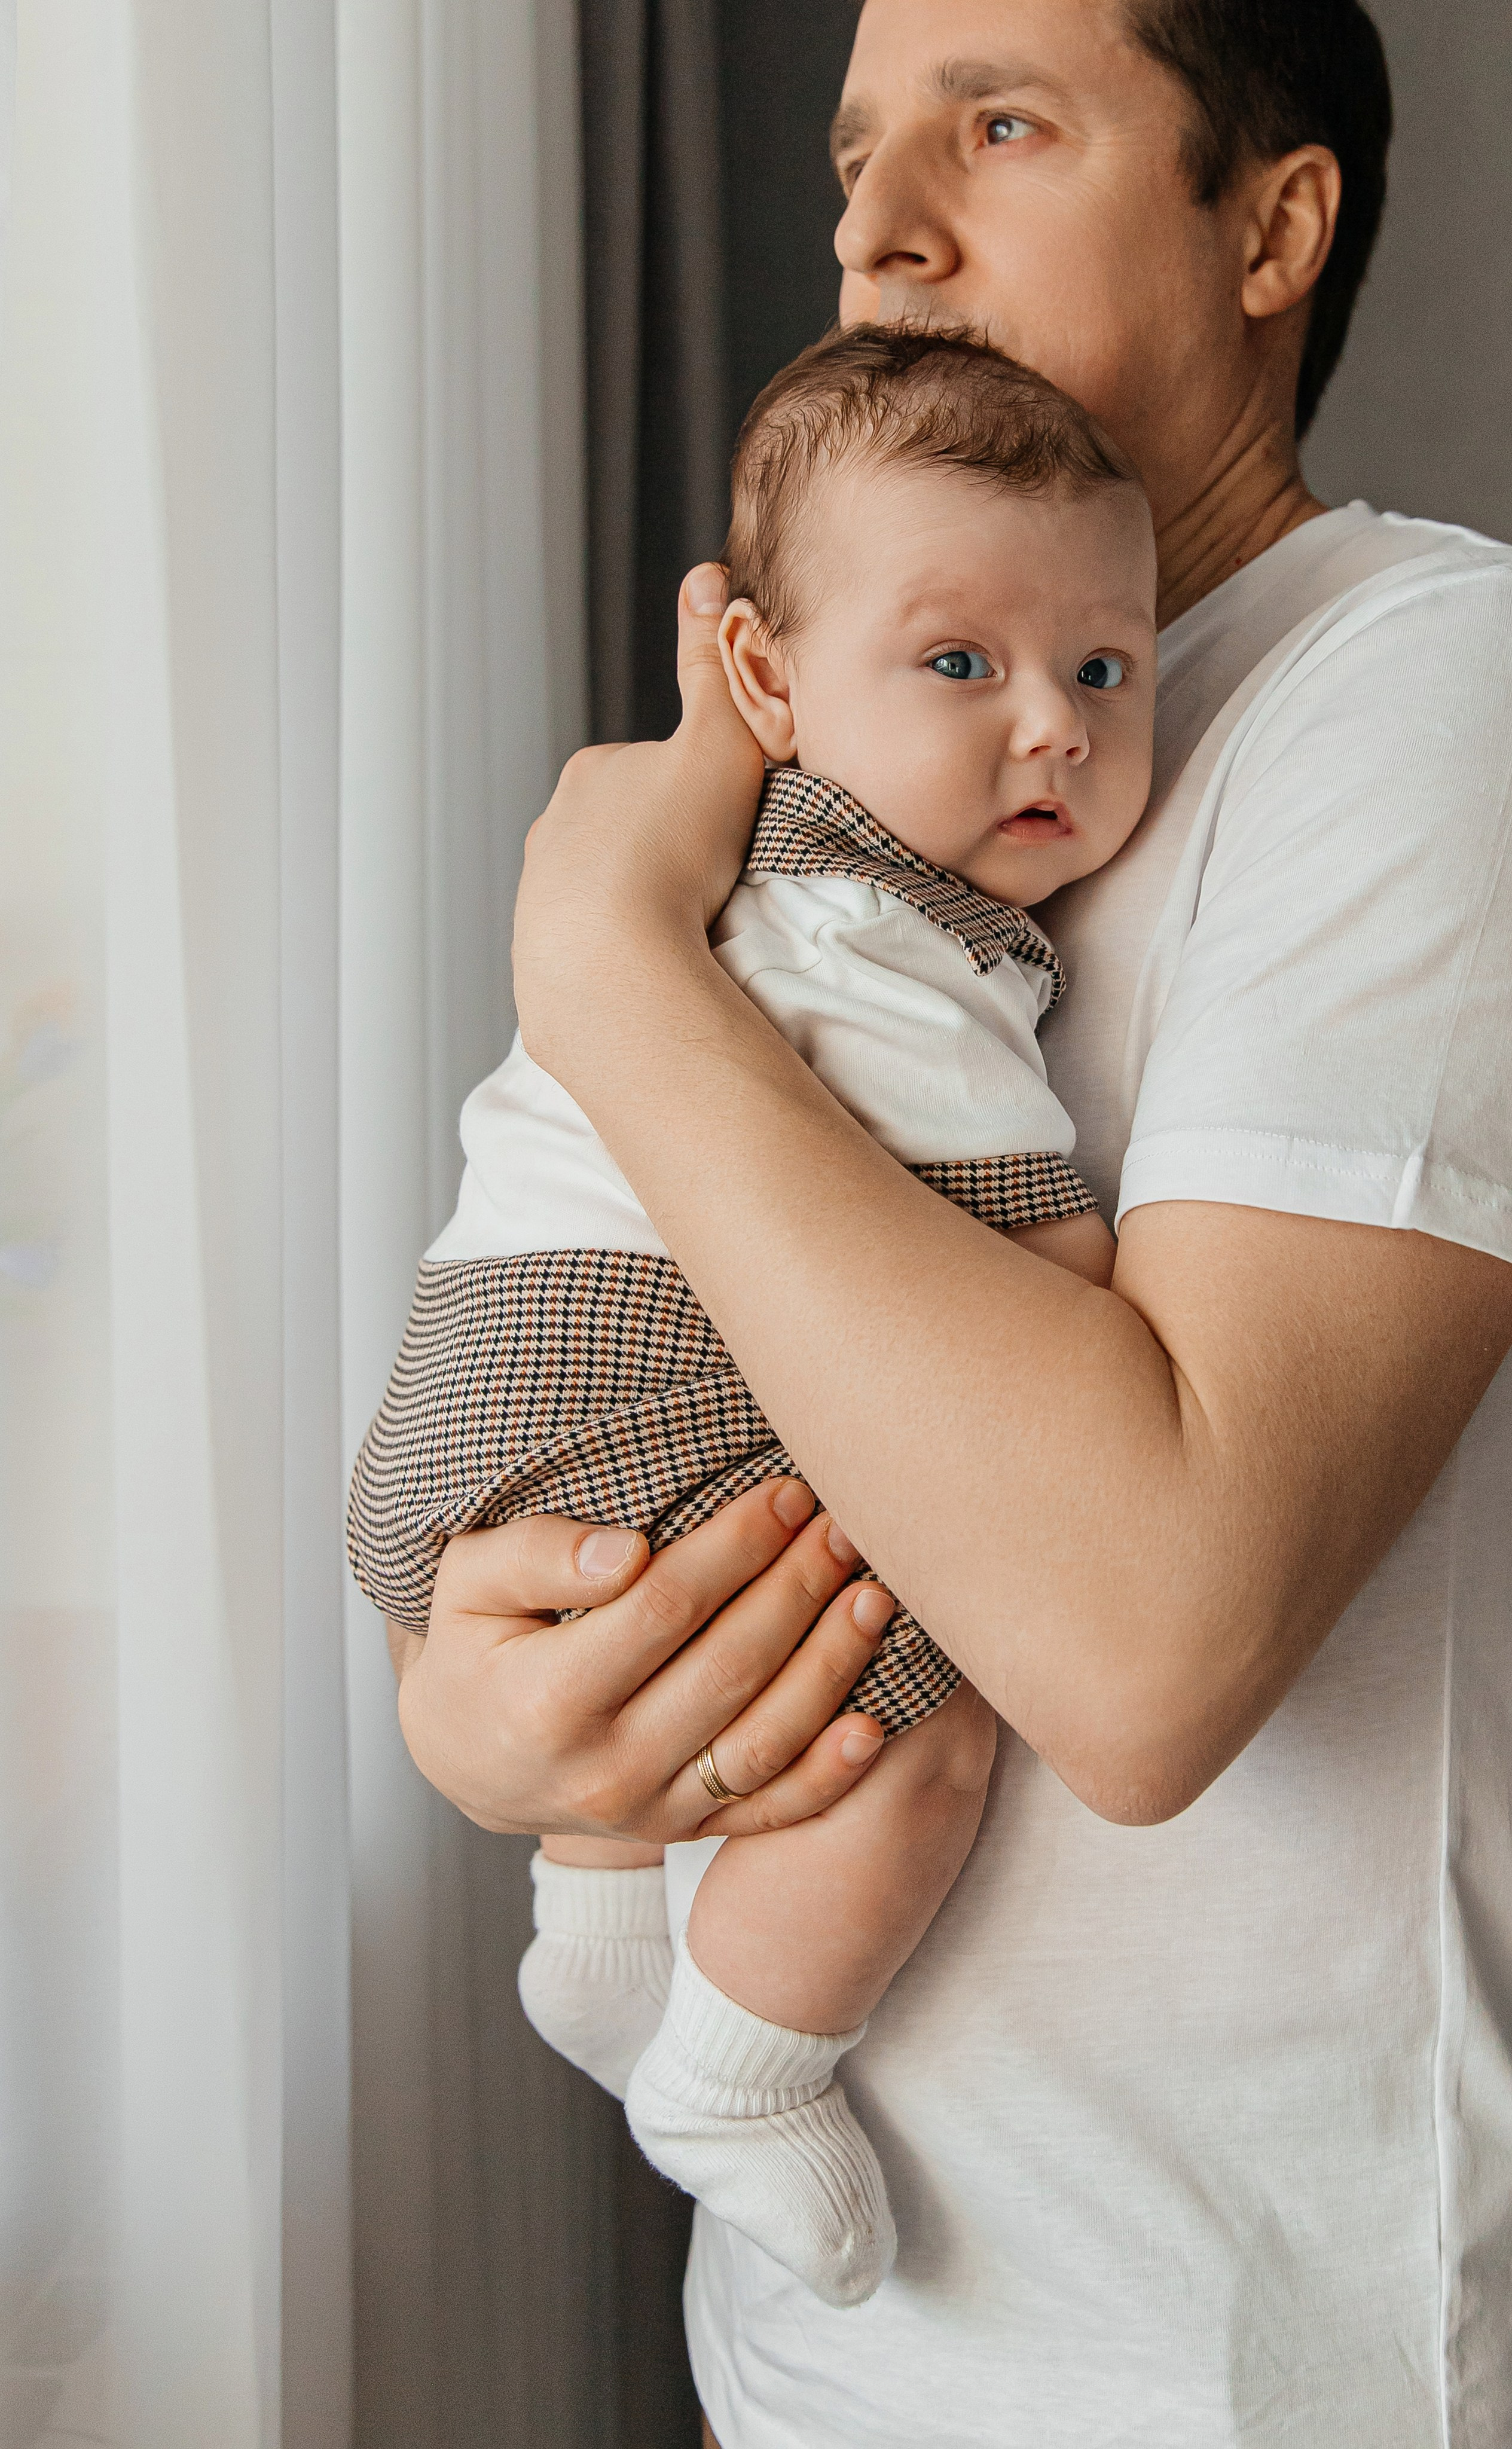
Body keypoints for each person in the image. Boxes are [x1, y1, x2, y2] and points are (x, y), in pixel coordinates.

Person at [388, 1, 1512, 2440]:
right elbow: (698, 1344)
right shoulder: (901, 763)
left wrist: (599, 962)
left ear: (1273, 226)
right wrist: (525, 1728)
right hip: (827, 2343)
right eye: (853, 149)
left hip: (1221, 2374)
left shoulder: (1418, 687)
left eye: (1001, 125)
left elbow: (1136, 1638)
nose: (875, 231)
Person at [352, 326, 1158, 2308]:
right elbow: (1002, 1239)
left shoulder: (724, 871)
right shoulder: (886, 921)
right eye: (959, 663)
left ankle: (604, 1940)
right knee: (918, 1713)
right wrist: (1083, 1320)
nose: (1049, 724)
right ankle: (737, 2072)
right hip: (620, 1355)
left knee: (664, 1654)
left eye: (1104, 670)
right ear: (771, 684)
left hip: (481, 1387)